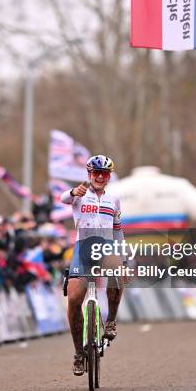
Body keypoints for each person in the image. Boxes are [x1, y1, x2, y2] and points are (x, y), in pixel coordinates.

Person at [60, 155, 125, 376]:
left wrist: (122, 254)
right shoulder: (80, 194)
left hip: (106, 248)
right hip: (83, 250)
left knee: (117, 274)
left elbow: (117, 230)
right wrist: (71, 193)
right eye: (95, 173)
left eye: (104, 173)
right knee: (74, 298)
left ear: (108, 177)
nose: (99, 176)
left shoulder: (114, 199)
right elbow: (63, 199)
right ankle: (79, 353)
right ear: (89, 174)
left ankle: (111, 322)